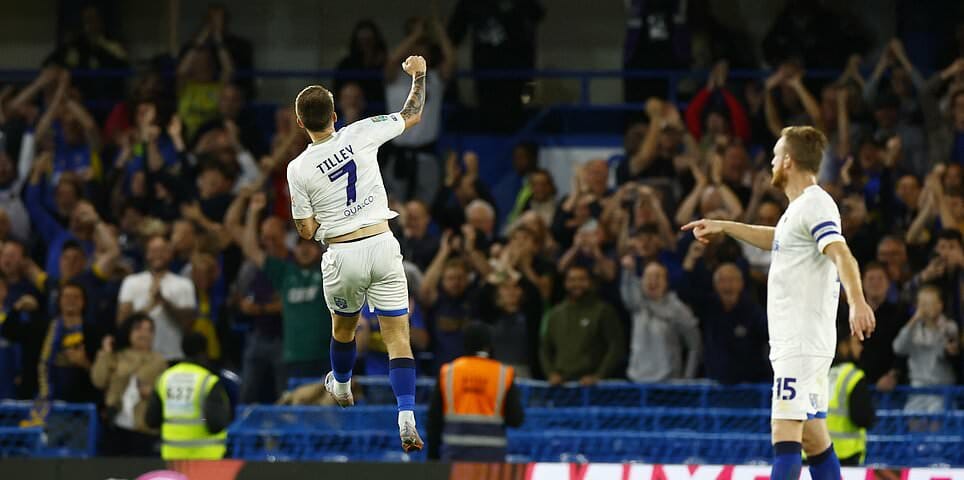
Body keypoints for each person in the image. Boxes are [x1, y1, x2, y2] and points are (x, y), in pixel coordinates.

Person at [683, 126, 876, 480]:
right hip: (803, 342)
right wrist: (724, 225)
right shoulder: (800, 210)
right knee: (813, 438)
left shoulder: (816, 203)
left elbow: (842, 252)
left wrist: (858, 301)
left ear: (788, 161)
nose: (771, 161)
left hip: (800, 343)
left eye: (775, 154)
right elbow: (779, 238)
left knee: (784, 436)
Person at [284, 54, 427, 451]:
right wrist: (419, 75)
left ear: (300, 124)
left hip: (343, 252)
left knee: (343, 330)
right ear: (335, 114)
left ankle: (343, 385)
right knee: (398, 337)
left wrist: (321, 224)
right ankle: (406, 414)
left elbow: (305, 228)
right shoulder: (361, 131)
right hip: (382, 242)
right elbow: (411, 114)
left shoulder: (298, 168)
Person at [427, 322, 524, 462]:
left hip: (455, 456)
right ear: (489, 344)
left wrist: (433, 457)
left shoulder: (448, 372)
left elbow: (434, 420)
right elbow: (516, 419)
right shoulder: (503, 374)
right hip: (491, 460)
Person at [145, 333, 232, 460]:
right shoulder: (208, 381)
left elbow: (151, 420)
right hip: (206, 459)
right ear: (204, 352)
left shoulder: (165, 378)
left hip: (172, 457)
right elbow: (216, 424)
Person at [91, 313, 167, 457]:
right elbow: (98, 380)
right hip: (115, 425)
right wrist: (105, 353)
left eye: (149, 330)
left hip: (144, 428)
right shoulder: (116, 356)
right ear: (129, 332)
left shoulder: (159, 361)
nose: (144, 334)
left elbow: (166, 392)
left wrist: (153, 393)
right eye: (139, 329)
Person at [539, 265, 626, 385]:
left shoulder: (603, 311)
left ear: (590, 282)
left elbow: (616, 347)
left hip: (594, 388)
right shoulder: (555, 314)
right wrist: (551, 374)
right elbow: (545, 349)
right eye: (572, 280)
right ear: (565, 283)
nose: (577, 284)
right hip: (561, 387)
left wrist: (599, 376)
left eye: (582, 279)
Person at [826, 324, 876, 466]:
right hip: (845, 455)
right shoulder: (853, 376)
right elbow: (863, 418)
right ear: (843, 345)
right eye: (857, 343)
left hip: (812, 452)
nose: (861, 348)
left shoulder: (819, 373)